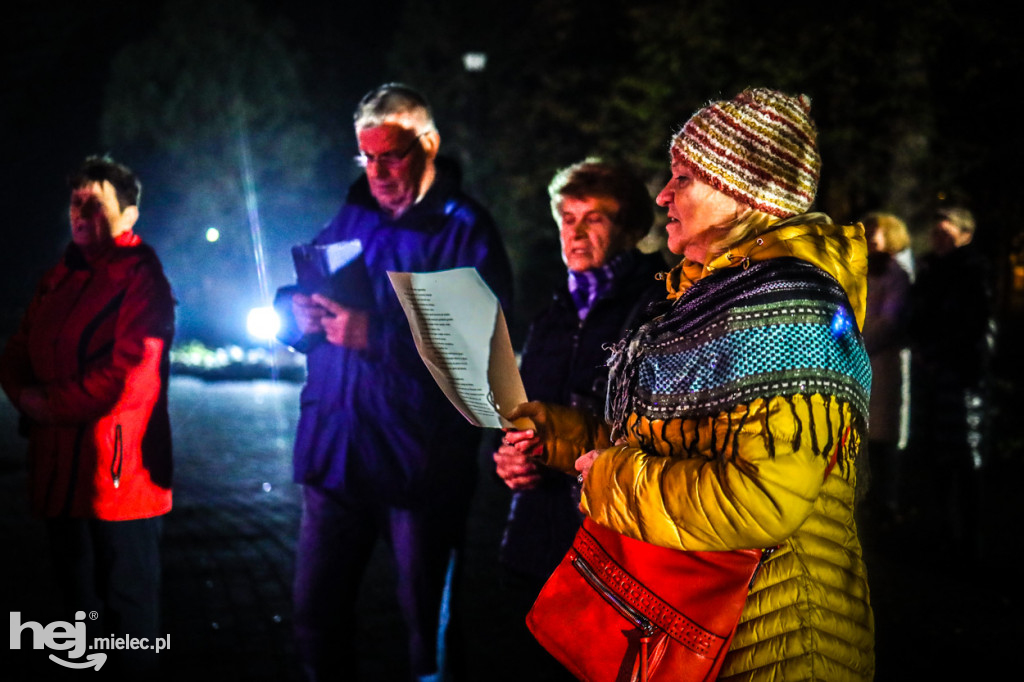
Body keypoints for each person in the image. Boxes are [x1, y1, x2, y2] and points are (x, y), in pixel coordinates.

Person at [505, 88, 875, 681]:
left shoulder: (785, 307)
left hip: (774, 640)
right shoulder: (717, 298)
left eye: (683, 178)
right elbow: (679, 442)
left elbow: (761, 499)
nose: (663, 195)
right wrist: (559, 437)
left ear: (740, 190)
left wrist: (607, 476)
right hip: (713, 626)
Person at [274, 83, 513, 682]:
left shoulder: (465, 229)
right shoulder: (351, 214)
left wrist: (375, 335)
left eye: (393, 156)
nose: (378, 171)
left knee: (426, 632)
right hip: (337, 455)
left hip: (420, 467)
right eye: (367, 157)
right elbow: (310, 301)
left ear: (428, 145)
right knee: (313, 616)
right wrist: (294, 312)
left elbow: (482, 352)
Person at [0, 156, 175, 675]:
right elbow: (17, 349)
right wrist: (23, 393)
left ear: (129, 216)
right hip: (60, 477)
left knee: (129, 620)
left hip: (119, 483)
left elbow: (128, 375)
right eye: (76, 202)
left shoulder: (142, 278)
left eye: (96, 203)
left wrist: (43, 404)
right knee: (76, 623)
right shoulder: (58, 277)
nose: (81, 212)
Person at [492, 158, 665, 679]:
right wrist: (509, 459)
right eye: (567, 218)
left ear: (631, 227)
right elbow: (521, 410)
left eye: (595, 218)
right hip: (537, 540)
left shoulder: (654, 307)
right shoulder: (552, 312)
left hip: (611, 543)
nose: (576, 232)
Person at [909, 207, 994, 559]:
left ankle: (969, 539)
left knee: (965, 456)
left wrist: (943, 350)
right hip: (933, 369)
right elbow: (920, 313)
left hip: (962, 373)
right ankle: (943, 531)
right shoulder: (930, 269)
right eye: (936, 233)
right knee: (937, 456)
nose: (938, 239)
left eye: (947, 233)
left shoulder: (973, 271)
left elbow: (973, 323)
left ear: (965, 235)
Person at [860, 212, 913, 524]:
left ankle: (887, 502)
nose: (869, 240)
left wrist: (858, 343)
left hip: (884, 362)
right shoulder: (859, 270)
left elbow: (890, 320)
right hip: (860, 361)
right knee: (865, 436)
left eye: (875, 234)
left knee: (885, 435)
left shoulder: (896, 274)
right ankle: (868, 498)